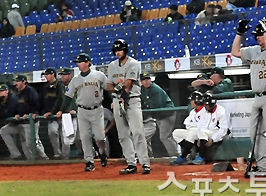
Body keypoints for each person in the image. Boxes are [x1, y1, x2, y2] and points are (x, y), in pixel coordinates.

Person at [231, 18, 266, 177]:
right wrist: (239, 34)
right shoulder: (254, 50)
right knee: (254, 133)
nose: (257, 37)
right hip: (258, 97)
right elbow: (234, 52)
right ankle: (262, 166)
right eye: (256, 35)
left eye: (260, 34)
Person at [107, 40, 150, 175]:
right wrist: (116, 93)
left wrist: (120, 96)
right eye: (116, 50)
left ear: (125, 50)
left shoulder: (133, 63)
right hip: (117, 100)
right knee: (123, 134)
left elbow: (128, 84)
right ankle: (131, 163)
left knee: (137, 132)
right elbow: (108, 85)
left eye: (120, 50)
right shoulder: (112, 65)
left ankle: (145, 163)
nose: (118, 52)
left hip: (131, 100)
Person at [60, 53, 108, 171]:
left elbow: (108, 89)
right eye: (77, 62)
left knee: (100, 137)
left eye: (80, 62)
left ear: (87, 63)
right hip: (82, 110)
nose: (78, 64)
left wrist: (113, 100)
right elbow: (68, 96)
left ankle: (102, 153)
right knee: (84, 137)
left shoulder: (99, 75)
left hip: (96, 109)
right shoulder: (75, 79)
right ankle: (89, 161)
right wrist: (61, 109)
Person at [0, 76, 49, 160]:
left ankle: (44, 158)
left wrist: (31, 113)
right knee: (23, 143)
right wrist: (18, 114)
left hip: (30, 122)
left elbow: (36, 103)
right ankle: (29, 160)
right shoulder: (18, 93)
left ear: (24, 81)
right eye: (15, 81)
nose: (16, 83)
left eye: (18, 81)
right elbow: (19, 106)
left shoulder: (30, 91)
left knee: (31, 142)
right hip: (21, 122)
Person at [171, 92, 229, 165]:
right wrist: (199, 137)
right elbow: (201, 125)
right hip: (205, 132)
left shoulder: (221, 111)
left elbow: (223, 129)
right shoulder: (204, 111)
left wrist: (214, 138)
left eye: (206, 105)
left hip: (217, 133)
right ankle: (188, 154)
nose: (205, 106)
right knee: (178, 132)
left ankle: (200, 157)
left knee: (200, 132)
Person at [140, 72, 178, 158]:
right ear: (141, 81)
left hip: (167, 114)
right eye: (144, 80)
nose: (146, 81)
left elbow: (157, 106)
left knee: (164, 137)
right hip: (159, 116)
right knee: (167, 137)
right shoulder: (142, 89)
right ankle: (177, 154)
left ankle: (175, 156)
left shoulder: (155, 89)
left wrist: (146, 111)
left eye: (148, 79)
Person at [53, 67, 82, 159]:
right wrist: (57, 110)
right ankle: (65, 157)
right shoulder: (62, 86)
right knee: (66, 137)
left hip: (79, 114)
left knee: (79, 138)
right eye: (62, 75)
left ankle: (87, 153)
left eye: (65, 75)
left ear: (70, 75)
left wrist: (76, 109)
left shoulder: (77, 84)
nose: (63, 77)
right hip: (67, 116)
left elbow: (81, 98)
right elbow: (60, 100)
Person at [35, 68, 63, 159]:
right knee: (52, 132)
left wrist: (55, 111)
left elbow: (61, 100)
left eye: (47, 74)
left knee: (66, 136)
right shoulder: (45, 87)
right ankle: (58, 153)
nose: (46, 76)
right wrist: (37, 111)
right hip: (51, 117)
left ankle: (67, 156)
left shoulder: (60, 85)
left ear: (53, 74)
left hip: (62, 114)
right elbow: (40, 101)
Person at [170, 91, 204, 165]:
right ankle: (189, 151)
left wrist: (193, 126)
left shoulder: (204, 111)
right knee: (176, 133)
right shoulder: (193, 112)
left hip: (201, 133)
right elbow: (187, 123)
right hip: (192, 132)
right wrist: (193, 125)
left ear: (197, 101)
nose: (191, 102)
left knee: (192, 132)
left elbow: (202, 125)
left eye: (192, 100)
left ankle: (183, 157)